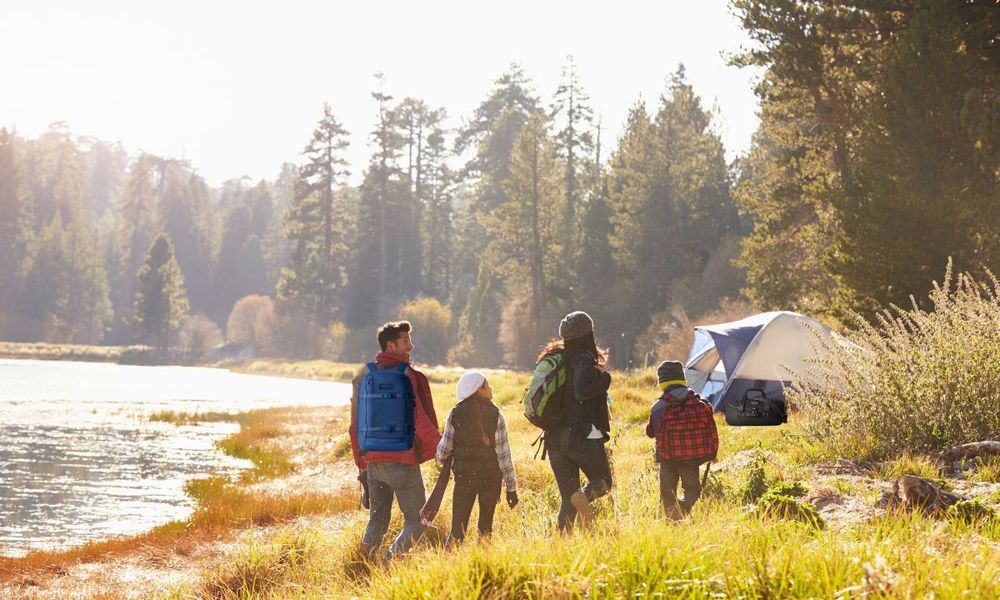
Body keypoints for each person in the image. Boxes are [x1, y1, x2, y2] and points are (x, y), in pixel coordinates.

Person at [349, 320, 441, 562]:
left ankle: (363, 563)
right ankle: (389, 559)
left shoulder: (365, 375)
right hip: (402, 461)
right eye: (405, 341)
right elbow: (418, 418)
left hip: (373, 462)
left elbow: (355, 425)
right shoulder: (407, 375)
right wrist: (442, 446)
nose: (410, 346)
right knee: (418, 520)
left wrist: (361, 462)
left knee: (377, 519)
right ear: (391, 346)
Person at [540, 310, 613, 532]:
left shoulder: (557, 360)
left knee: (568, 498)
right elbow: (581, 392)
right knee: (603, 484)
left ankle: (562, 545)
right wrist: (605, 378)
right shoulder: (584, 359)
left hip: (553, 438)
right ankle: (582, 499)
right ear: (588, 333)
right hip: (581, 435)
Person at [435, 371, 518, 544]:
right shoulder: (496, 415)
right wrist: (511, 488)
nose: (490, 388)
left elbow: (444, 449)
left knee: (457, 530)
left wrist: (441, 461)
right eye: (487, 385)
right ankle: (482, 560)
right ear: (479, 390)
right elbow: (504, 456)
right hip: (490, 479)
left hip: (464, 478)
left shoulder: (455, 413)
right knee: (486, 530)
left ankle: (450, 559)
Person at [645, 360, 718, 520]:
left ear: (661, 382)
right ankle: (682, 509)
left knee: (667, 493)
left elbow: (651, 433)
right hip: (691, 459)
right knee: (693, 490)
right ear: (683, 379)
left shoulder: (659, 406)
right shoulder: (701, 402)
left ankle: (671, 519)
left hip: (667, 458)